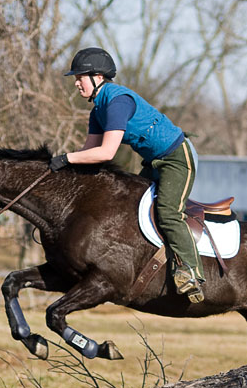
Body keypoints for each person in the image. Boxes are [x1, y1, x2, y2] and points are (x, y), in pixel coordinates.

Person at [49, 47, 205, 303]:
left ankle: (191, 272)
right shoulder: (98, 110)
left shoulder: (117, 101)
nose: (76, 83)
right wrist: (63, 171)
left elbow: (106, 152)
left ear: (97, 76)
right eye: (75, 78)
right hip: (154, 161)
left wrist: (66, 159)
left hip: (178, 158)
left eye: (80, 77)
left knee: (167, 212)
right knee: (130, 207)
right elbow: (88, 151)